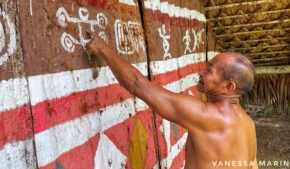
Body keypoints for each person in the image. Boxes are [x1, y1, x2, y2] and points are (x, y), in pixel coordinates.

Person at [85, 30, 258, 169]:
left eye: (209, 71)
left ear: (228, 87)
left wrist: (102, 48)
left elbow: (138, 85)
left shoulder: (208, 115)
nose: (201, 73)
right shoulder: (248, 125)